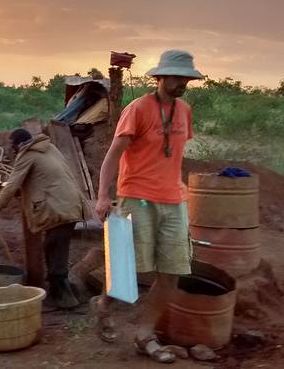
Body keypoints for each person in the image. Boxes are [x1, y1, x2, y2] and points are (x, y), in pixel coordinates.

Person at [92, 49, 204, 364]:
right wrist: (103, 195)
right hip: (137, 195)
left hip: (174, 200)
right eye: (176, 76)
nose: (181, 82)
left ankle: (145, 334)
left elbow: (173, 154)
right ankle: (103, 304)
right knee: (130, 266)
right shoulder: (138, 109)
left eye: (186, 77)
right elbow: (114, 154)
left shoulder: (185, 110)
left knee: (174, 271)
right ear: (160, 77)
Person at [0, 129, 88, 308]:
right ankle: (59, 291)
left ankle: (66, 299)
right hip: (70, 203)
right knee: (53, 247)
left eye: (12, 145)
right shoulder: (49, 148)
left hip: (58, 208)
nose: (13, 149)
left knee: (56, 249)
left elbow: (10, 187)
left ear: (19, 144)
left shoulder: (27, 155)